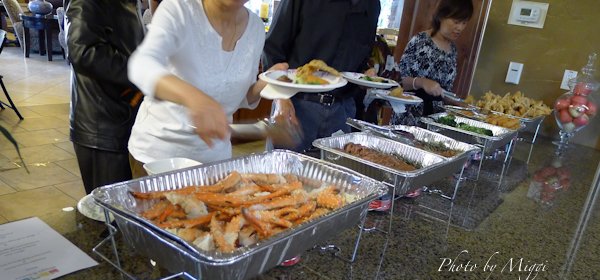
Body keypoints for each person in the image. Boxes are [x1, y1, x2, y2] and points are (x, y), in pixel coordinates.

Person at [127, 0, 287, 179]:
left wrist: (265, 83)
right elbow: (141, 65)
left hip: (215, 162)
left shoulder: (256, 28)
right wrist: (193, 97)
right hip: (160, 157)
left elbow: (239, 95)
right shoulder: (179, 9)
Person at [262, 0, 381, 155]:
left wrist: (366, 74)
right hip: (296, 105)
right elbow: (273, 49)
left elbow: (361, 57)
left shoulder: (372, 5)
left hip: (342, 113)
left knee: (334, 177)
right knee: (281, 174)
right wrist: (280, 98)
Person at [66, 0, 145, 194]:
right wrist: (143, 72)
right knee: (106, 213)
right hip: (101, 126)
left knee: (125, 207)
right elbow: (82, 51)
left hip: (123, 116)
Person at [392, 0, 473, 126]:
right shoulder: (420, 41)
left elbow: (443, 92)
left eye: (464, 22)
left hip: (434, 122)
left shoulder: (453, 51)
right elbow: (399, 81)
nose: (460, 28)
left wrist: (457, 103)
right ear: (441, 16)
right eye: (456, 22)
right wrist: (422, 82)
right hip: (408, 118)